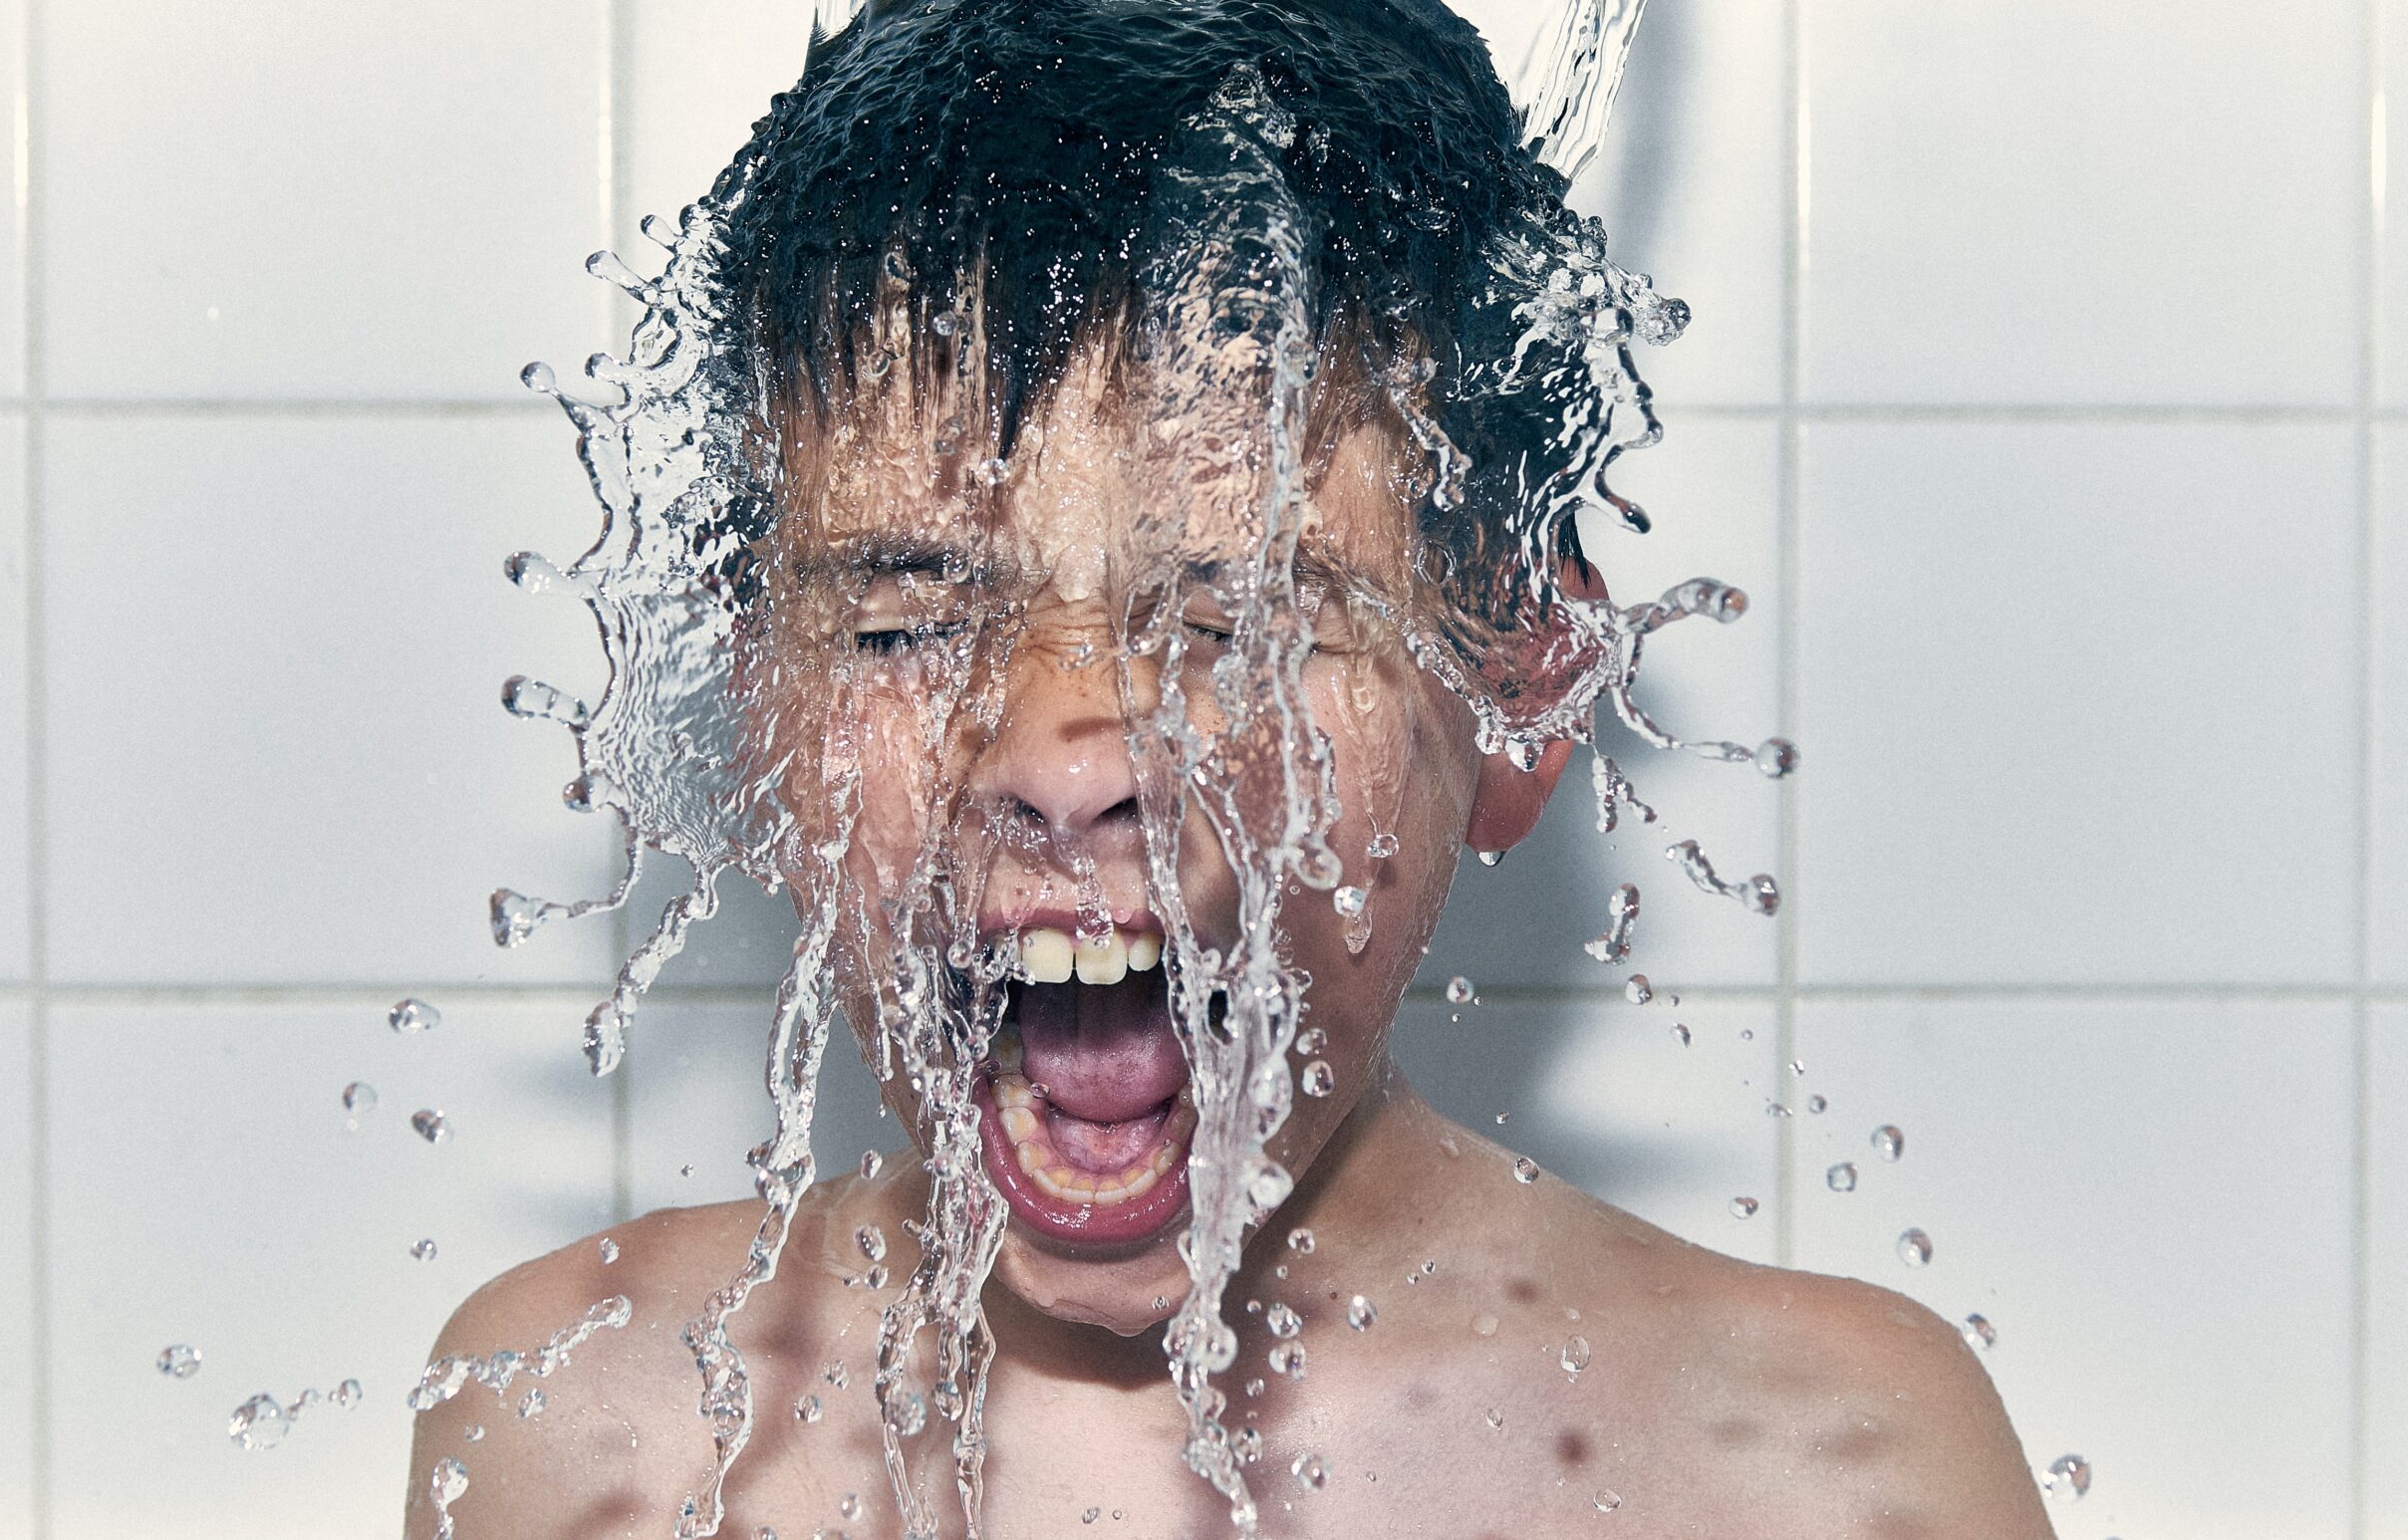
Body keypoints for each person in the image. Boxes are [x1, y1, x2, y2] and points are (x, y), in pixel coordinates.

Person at [407, 1, 2052, 1533]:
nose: (1065, 754)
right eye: (905, 625)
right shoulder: (588, 1434)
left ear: (1522, 692)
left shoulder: (1820, 1465)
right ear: (754, 712)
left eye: (1246, 619)